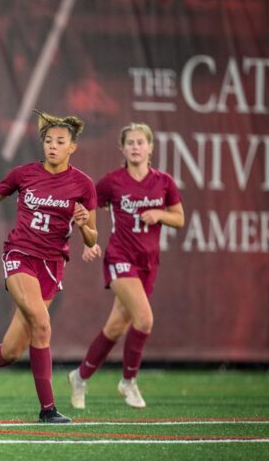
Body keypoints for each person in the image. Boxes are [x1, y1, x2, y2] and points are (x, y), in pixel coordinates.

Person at [0, 110, 97, 423]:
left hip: (52, 266)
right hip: (19, 255)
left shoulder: (83, 185)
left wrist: (86, 227)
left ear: (73, 147)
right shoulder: (24, 174)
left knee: (12, 351)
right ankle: (48, 410)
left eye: (60, 141)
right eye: (47, 140)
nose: (52, 146)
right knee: (42, 326)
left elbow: (92, 236)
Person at [68, 123, 184, 409]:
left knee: (117, 326)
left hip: (148, 262)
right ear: (122, 148)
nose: (135, 147)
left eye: (140, 142)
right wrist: (89, 239)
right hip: (120, 257)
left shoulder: (164, 182)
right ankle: (128, 381)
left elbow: (179, 218)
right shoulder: (112, 181)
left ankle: (80, 377)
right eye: (130, 142)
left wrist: (159, 213)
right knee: (144, 319)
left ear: (150, 147)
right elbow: (85, 205)